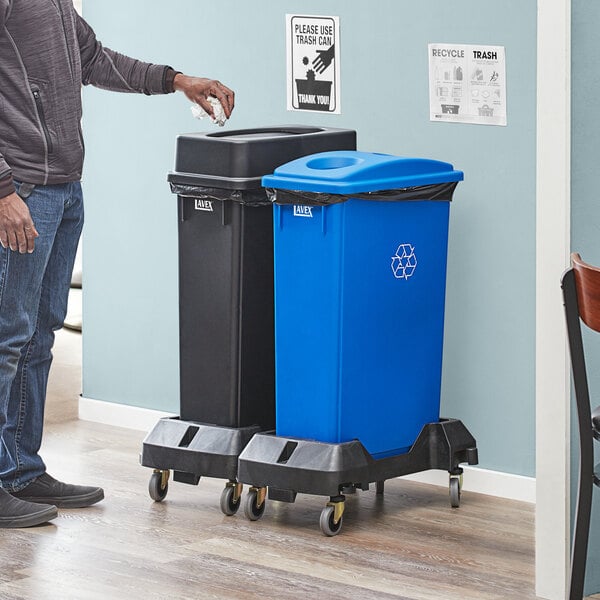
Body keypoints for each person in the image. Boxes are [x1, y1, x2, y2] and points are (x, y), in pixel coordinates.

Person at [0, 0, 235, 528]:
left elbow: (95, 60)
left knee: (38, 336)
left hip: (62, 186)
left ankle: (19, 471)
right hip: (21, 191)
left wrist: (176, 80)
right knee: (6, 338)